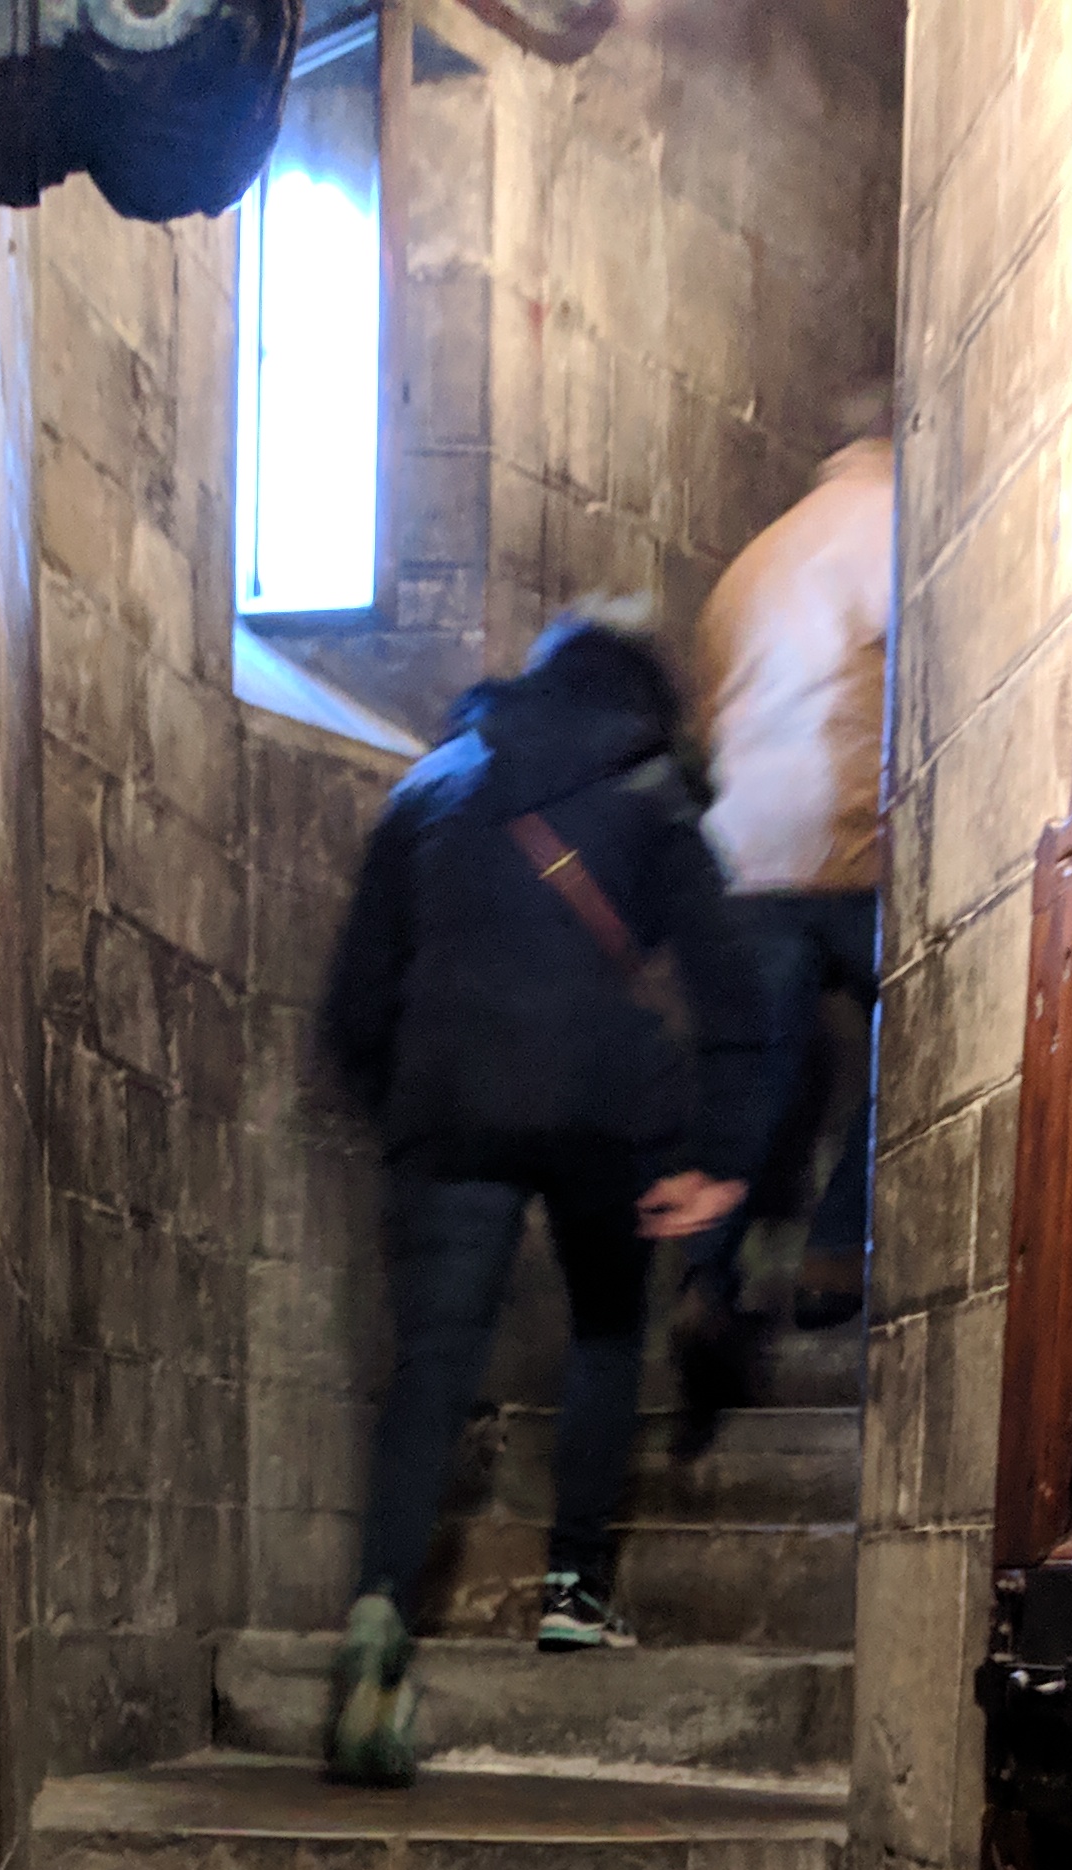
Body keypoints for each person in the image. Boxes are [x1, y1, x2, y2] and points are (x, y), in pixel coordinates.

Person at [320, 605, 764, 1786]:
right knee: (608, 1328)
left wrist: (402, 1110)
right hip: (598, 1108)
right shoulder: (651, 790)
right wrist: (715, 1154)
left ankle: (380, 1605)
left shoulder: (434, 781)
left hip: (447, 1104)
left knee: (432, 1364)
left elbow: (355, 998)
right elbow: (731, 985)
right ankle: (574, 1589)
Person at [673, 394, 896, 1455]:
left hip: (744, 851)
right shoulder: (895, 526)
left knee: (750, 1076)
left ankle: (706, 1273)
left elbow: (709, 718)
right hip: (845, 842)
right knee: (919, 1035)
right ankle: (835, 1248)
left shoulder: (752, 564)